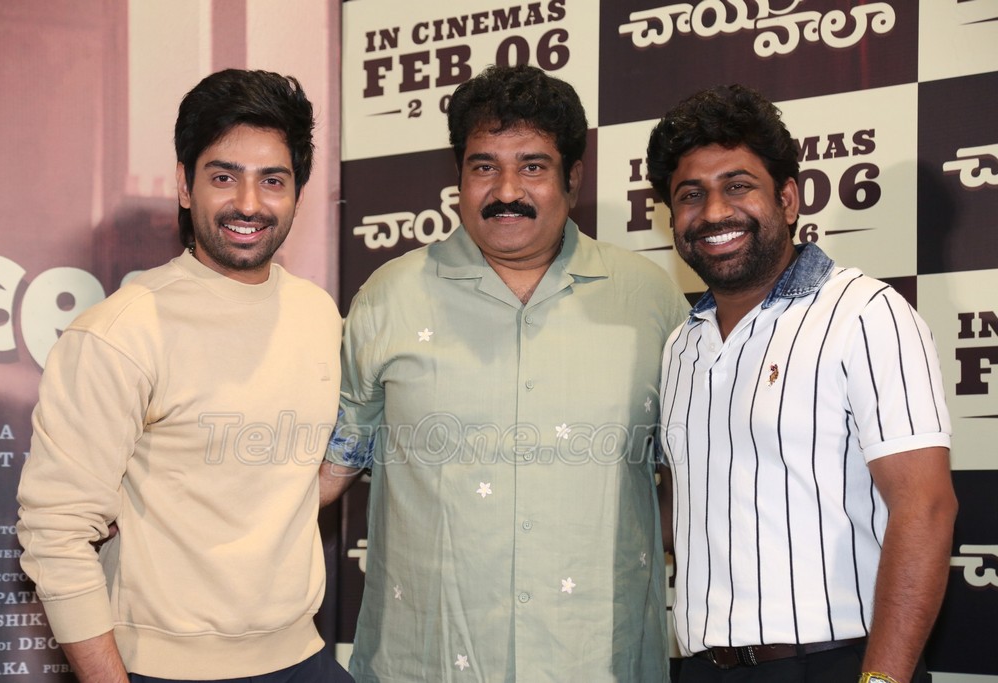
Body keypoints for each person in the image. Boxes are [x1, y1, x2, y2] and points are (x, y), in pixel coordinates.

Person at [319, 64, 690, 682]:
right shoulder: (390, 296)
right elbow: (333, 463)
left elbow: (697, 475)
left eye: (533, 166)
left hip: (595, 660)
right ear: (458, 177)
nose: (507, 189)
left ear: (573, 178)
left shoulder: (649, 301)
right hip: (426, 663)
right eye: (484, 166)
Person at [16, 69, 350, 682]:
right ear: (184, 185)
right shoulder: (119, 333)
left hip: (302, 656)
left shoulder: (318, 313)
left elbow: (286, 483)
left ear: (298, 192)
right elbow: (54, 534)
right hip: (162, 670)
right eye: (224, 177)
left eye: (272, 180)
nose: (248, 203)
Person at [646, 84, 958, 683]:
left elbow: (925, 507)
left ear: (787, 198)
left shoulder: (864, 312)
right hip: (707, 668)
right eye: (691, 194)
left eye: (738, 185)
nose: (714, 212)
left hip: (838, 662)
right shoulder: (682, 344)